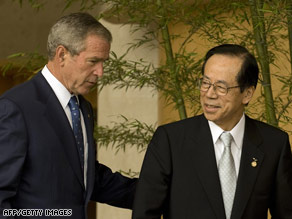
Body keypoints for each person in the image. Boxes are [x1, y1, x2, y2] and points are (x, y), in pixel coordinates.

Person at [0, 12, 136, 219]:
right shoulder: (15, 108)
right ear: (62, 54)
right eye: (93, 61)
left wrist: (160, 194)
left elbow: (86, 177)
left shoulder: (83, 108)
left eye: (103, 62)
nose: (100, 72)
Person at [132, 44, 292, 219]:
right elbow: (145, 213)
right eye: (205, 83)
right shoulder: (170, 140)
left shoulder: (274, 144)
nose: (209, 94)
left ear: (247, 94)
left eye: (221, 87)